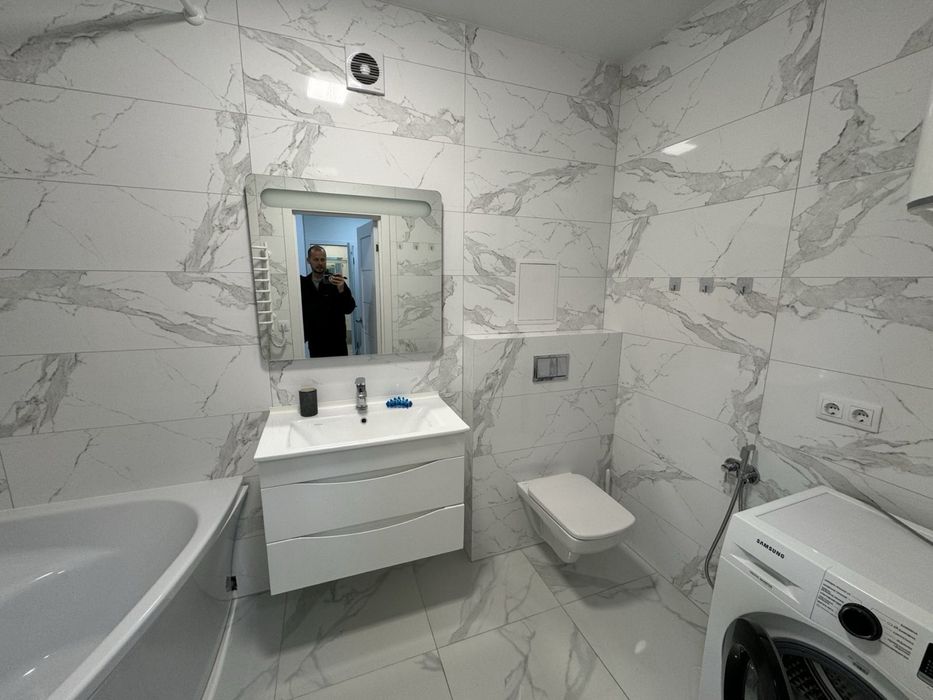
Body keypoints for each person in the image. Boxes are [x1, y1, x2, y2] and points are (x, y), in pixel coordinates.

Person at [300, 245, 356, 357]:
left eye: (323, 259)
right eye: (316, 259)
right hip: (315, 342)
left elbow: (349, 308)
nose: (320, 263)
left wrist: (342, 290)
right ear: (308, 260)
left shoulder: (336, 282)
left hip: (337, 342)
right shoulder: (304, 284)